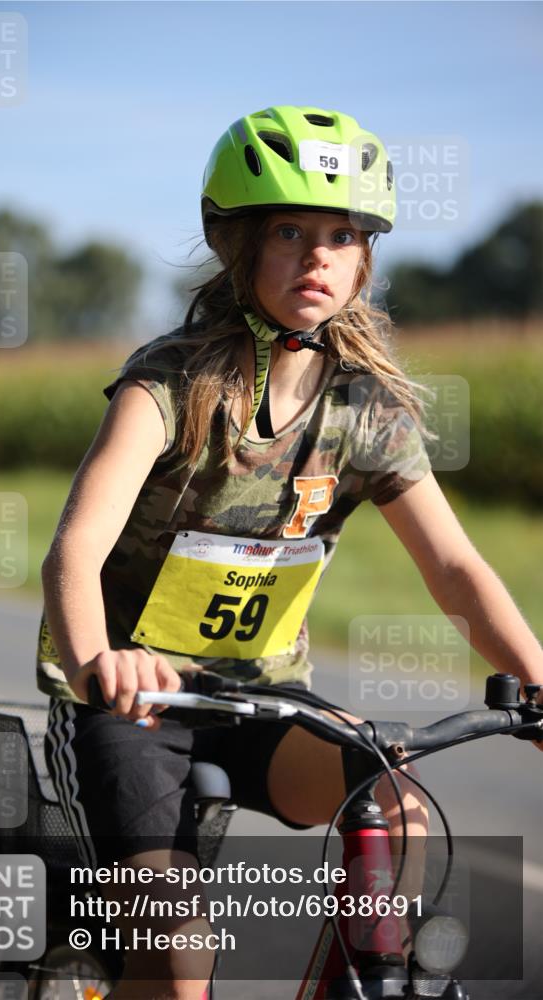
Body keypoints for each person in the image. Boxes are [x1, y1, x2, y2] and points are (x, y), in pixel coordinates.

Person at [38, 105, 543, 999]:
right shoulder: (169, 384)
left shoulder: (366, 411)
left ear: (364, 257)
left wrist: (536, 680)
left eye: (342, 235)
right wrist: (97, 665)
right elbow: (74, 549)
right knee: (173, 957)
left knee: (394, 805)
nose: (318, 256)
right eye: (288, 231)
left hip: (262, 698)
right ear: (236, 244)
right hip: (137, 707)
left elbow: (454, 568)